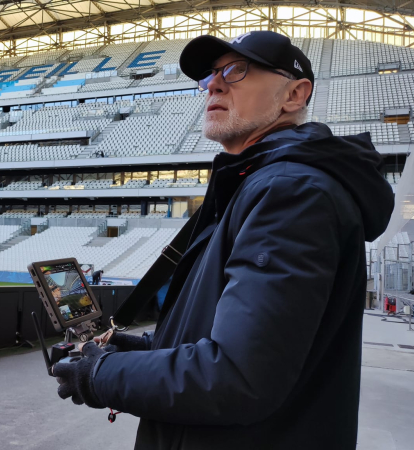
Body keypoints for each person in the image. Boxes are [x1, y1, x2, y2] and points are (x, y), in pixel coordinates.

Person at [52, 31, 394, 449]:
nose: (213, 84)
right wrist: (132, 349)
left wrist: (98, 375)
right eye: (211, 75)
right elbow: (226, 341)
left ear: (295, 94)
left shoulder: (290, 192)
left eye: (236, 70)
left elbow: (238, 376)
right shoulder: (260, 185)